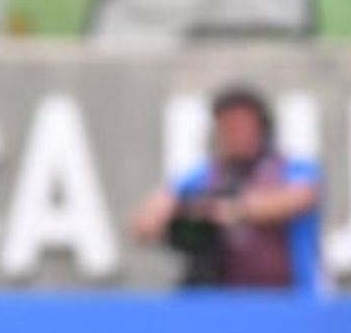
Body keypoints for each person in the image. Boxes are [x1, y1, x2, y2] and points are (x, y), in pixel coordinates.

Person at [131, 86, 323, 292]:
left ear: (262, 127)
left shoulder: (293, 168)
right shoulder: (205, 174)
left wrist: (233, 210)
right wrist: (178, 212)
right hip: (224, 301)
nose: (236, 135)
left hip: (291, 298)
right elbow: (146, 223)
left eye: (243, 126)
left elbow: (300, 198)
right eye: (228, 127)